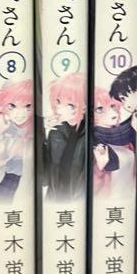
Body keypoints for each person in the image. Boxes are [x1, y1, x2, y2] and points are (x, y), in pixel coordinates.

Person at [43, 73, 87, 202]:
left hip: (80, 202)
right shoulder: (55, 132)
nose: (59, 109)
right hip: (54, 199)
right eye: (58, 102)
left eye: (70, 105)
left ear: (84, 107)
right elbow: (44, 177)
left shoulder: (91, 134)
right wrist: (42, 133)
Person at [0, 79, 33, 202]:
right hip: (3, 179)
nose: (20, 114)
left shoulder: (34, 126)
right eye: (12, 106)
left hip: (23, 182)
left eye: (27, 106)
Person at [92, 88, 135, 196]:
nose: (112, 112)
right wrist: (100, 167)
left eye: (112, 106)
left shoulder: (127, 137)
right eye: (100, 109)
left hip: (127, 198)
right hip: (106, 200)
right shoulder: (94, 141)